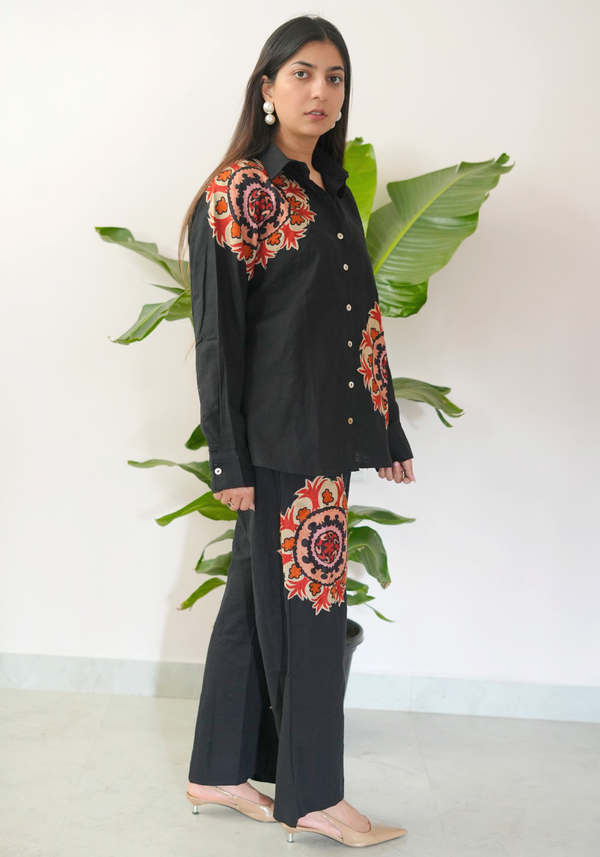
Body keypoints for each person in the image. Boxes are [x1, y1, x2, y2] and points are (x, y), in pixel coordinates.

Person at [178, 14, 416, 848]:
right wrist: (229, 461)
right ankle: (313, 795)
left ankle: (216, 769)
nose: (321, 91)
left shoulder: (333, 187)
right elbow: (218, 338)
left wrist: (385, 432)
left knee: (251, 600)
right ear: (268, 88)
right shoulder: (242, 189)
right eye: (304, 74)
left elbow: (361, 321)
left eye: (336, 77)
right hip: (282, 443)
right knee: (310, 617)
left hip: (327, 433)